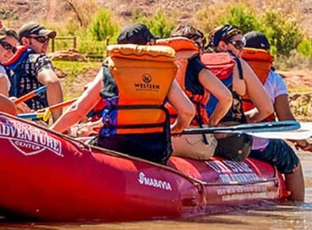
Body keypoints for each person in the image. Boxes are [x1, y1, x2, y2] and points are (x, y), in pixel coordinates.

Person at [52, 23, 195, 164]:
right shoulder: (163, 68)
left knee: (78, 149)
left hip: (114, 147)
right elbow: (188, 111)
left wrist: (50, 133)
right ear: (150, 43)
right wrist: (176, 128)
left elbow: (78, 110)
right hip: (154, 151)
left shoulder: (112, 66)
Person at [242, 30, 308, 202]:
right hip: (260, 146)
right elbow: (286, 121)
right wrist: (302, 142)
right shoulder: (274, 79)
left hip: (229, 141)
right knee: (293, 164)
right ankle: (297, 207)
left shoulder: (231, 73)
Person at [159, 24, 232, 160]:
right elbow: (226, 97)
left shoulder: (159, 62)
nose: (201, 51)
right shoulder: (194, 63)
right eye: (200, 45)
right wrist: (212, 122)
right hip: (193, 140)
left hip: (162, 138)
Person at [202, 24, 274, 160]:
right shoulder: (239, 65)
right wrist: (244, 120)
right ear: (223, 45)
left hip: (201, 137)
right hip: (231, 142)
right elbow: (266, 109)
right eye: (239, 44)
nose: (242, 50)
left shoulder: (197, 63)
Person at [5, 22, 64, 117]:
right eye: (41, 39)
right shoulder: (38, 59)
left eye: (47, 40)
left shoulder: (3, 60)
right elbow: (52, 82)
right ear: (25, 41)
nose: (45, 44)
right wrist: (58, 123)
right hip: (33, 123)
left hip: (7, 123)